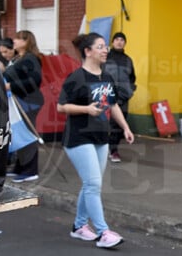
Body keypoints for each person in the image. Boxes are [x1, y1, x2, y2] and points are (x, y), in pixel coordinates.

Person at [57, 33, 134, 249]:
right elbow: (61, 106)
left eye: (105, 46)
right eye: (100, 46)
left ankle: (79, 227)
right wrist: (86, 109)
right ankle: (103, 232)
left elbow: (113, 105)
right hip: (78, 137)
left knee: (90, 184)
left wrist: (125, 128)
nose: (105, 50)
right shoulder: (76, 78)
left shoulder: (106, 77)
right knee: (93, 184)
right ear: (87, 51)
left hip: (101, 136)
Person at [3, 30, 44, 183]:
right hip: (18, 101)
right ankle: (20, 166)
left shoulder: (31, 59)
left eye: (19, 38)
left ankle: (30, 169)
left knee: (27, 134)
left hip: (29, 101)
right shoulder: (17, 58)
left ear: (27, 41)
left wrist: (10, 86)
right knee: (19, 133)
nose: (14, 40)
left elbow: (35, 81)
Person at [103, 32, 136, 163]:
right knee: (104, 124)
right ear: (112, 42)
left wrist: (130, 90)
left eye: (122, 40)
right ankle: (102, 148)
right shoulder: (105, 57)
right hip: (106, 96)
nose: (119, 42)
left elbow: (132, 77)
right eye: (117, 39)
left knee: (119, 125)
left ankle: (114, 150)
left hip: (123, 97)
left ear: (125, 43)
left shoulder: (128, 60)